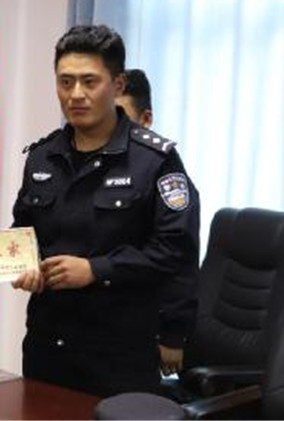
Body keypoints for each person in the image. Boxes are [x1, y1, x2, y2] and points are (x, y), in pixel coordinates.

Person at [11, 25, 200, 397]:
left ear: (117, 85)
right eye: (65, 82)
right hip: (47, 346)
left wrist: (96, 270)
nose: (75, 95)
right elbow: (23, 231)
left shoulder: (154, 160)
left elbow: (174, 252)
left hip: (118, 353)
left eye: (89, 82)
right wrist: (25, 264)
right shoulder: (42, 157)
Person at [116, 68, 197, 379]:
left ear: (146, 119)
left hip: (143, 325)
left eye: (121, 116)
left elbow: (180, 258)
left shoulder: (164, 171)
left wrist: (173, 335)